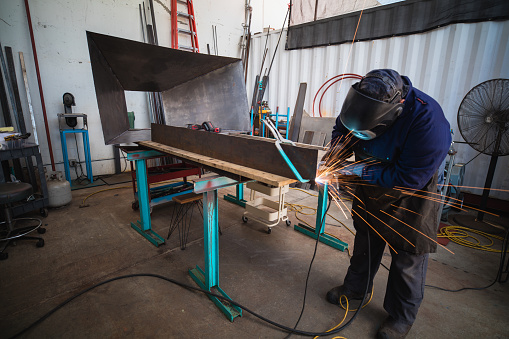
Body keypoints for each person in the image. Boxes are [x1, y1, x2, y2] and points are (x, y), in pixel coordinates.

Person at [323, 69, 451, 339]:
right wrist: (335, 155)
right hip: (371, 187)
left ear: (396, 109)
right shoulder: (360, 104)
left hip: (410, 194)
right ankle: (355, 290)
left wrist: (358, 172)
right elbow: (341, 130)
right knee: (365, 241)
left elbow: (407, 179)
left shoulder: (429, 123)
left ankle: (401, 317)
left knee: (407, 258)